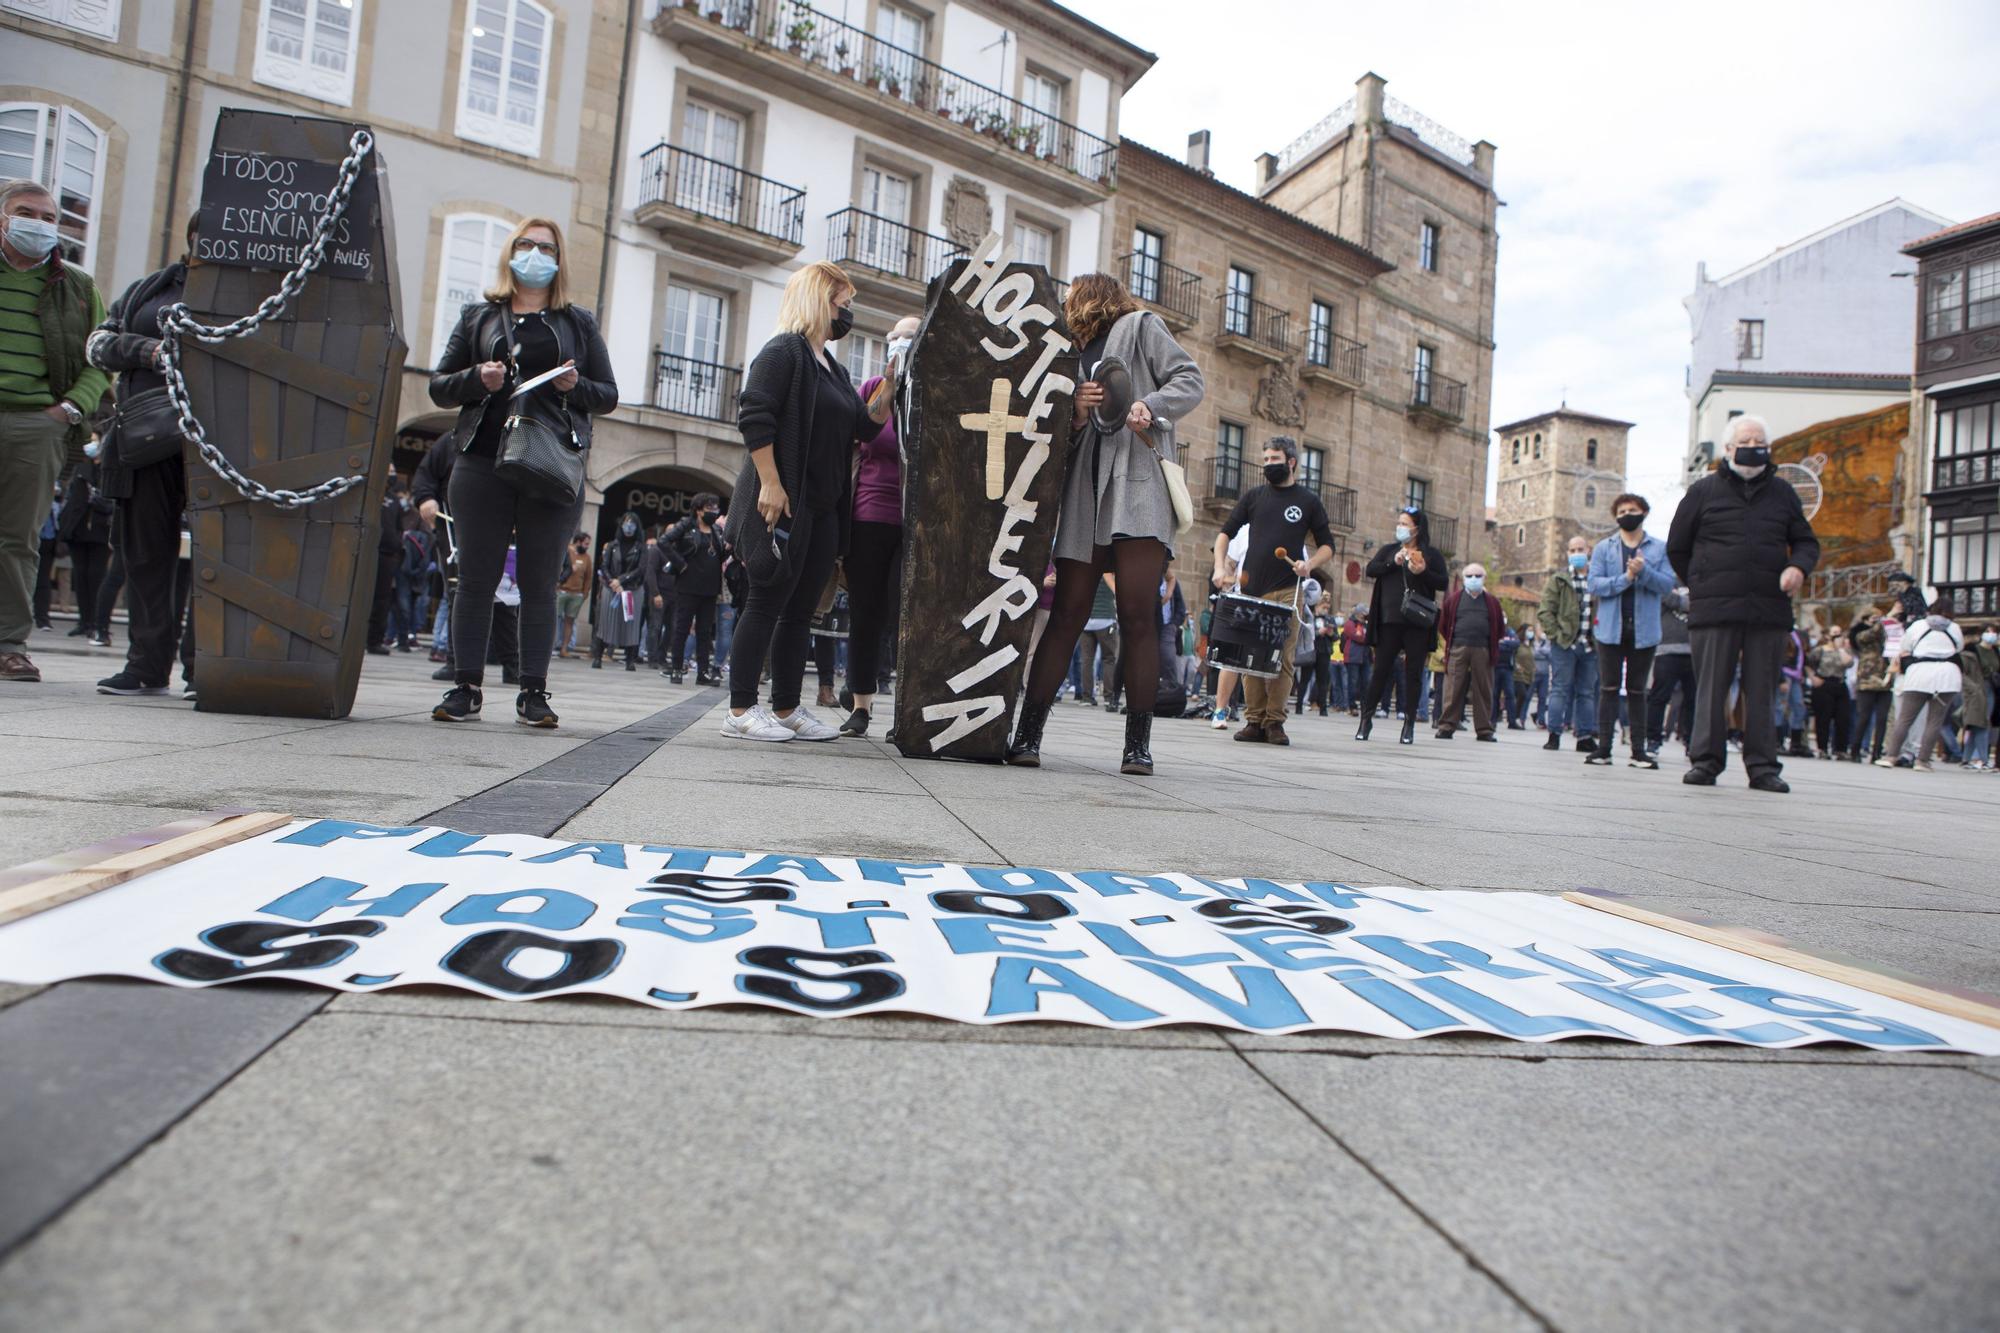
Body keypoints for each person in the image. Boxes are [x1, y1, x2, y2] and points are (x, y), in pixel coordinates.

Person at [1007, 271, 1205, 774]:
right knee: (1067, 614)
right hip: (1083, 494)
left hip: (1137, 488)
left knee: (1139, 615)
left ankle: (1137, 746)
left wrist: (1149, 405)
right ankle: (1027, 735)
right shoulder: (1068, 349)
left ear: (1093, 295)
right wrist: (1074, 412)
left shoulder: (1141, 325)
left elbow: (1190, 379)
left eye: (1074, 292)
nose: (1067, 299)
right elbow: (1058, 432)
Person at [427, 216, 617, 727]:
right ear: (511, 252)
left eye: (546, 248)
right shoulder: (479, 317)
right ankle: (465, 686)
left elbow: (608, 394)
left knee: (538, 582)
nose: (535, 254)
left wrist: (572, 385)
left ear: (559, 260)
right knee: (475, 580)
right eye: (526, 245)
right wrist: (477, 378)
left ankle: (533, 692)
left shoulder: (577, 322)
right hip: (481, 459)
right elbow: (439, 386)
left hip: (550, 460)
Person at [723, 262, 890, 742]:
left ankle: (788, 708)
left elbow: (863, 426)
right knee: (765, 600)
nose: (848, 312)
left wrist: (891, 386)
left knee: (800, 612)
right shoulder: (784, 352)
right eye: (843, 302)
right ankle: (739, 710)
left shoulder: (832, 368)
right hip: (783, 502)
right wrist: (771, 484)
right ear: (820, 300)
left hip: (823, 508)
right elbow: (755, 415)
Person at [1667, 414, 1820, 791]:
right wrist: (1701, 584)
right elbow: (1677, 547)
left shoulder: (1783, 493)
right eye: (1746, 441)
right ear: (1730, 449)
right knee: (1711, 689)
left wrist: (1798, 568)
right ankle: (1705, 761)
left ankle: (1764, 767)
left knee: (1762, 691)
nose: (1754, 447)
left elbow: (1805, 541)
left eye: (1760, 441)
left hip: (1768, 609)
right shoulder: (1703, 491)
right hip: (1714, 608)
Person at [2, 178, 110, 684]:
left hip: (36, 425)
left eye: (49, 217)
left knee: (18, 541)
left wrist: (69, 410)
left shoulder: (79, 287)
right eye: (28, 213)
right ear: (2, 217)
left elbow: (99, 360)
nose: (40, 224)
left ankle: (8, 645)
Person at [1212, 438, 1334, 746]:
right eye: (1265, 459)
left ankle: (1275, 722)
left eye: (1274, 458)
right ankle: (1254, 720)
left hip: (1286, 590)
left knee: (1282, 659)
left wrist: (1311, 565)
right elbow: (1225, 533)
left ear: (1291, 462)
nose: (1268, 464)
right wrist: (1218, 567)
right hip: (1252, 589)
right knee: (1249, 657)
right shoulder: (1254, 497)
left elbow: (1327, 546)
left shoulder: (1308, 500)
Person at [839, 313, 919, 735]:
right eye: (897, 337)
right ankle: (861, 705)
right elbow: (865, 432)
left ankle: (906, 710)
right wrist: (890, 382)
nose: (902, 343)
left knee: (905, 616)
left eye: (911, 338)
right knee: (866, 612)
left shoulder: (932, 393)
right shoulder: (874, 388)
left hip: (915, 523)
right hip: (870, 515)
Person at [1584, 493, 1676, 769]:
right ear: (1616, 516)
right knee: (1608, 688)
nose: (1627, 514)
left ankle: (1638, 751)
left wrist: (1644, 573)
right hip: (1610, 628)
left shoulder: (1659, 549)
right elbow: (1595, 585)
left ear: (1644, 513)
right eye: (1622, 510)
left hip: (1644, 630)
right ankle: (1603, 749)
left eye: (1632, 509)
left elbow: (1667, 585)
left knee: (1638, 691)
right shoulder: (1604, 548)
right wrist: (1626, 578)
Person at [1354, 508, 1447, 745]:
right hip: (1390, 620)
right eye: (1399, 523)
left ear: (1417, 528)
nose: (1401, 527)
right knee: (1381, 670)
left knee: (1414, 673)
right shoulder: (1389, 550)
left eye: (1405, 523)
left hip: (1417, 621)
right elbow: (1371, 569)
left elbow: (1443, 582)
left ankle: (1409, 724)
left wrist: (1423, 571)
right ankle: (1366, 719)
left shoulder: (1431, 555)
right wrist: (1392, 562)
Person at [1877, 597, 1962, 771]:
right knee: (1935, 720)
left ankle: (1891, 755)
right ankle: (1922, 760)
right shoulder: (1954, 628)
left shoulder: (1919, 625)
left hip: (1920, 672)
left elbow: (1906, 645)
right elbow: (1959, 648)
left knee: (1905, 718)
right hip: (1947, 674)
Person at [1538, 535, 1600, 753]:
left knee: (1586, 692)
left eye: (1580, 549)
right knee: (1559, 689)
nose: (1576, 554)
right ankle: (1554, 733)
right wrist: (1556, 635)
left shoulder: (1596, 578)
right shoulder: (1559, 579)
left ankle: (1584, 735)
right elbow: (1545, 610)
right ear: (1567, 553)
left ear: (1588, 550)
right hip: (1564, 644)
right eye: (1572, 550)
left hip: (1591, 644)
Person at [1434, 561, 1502, 741]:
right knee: (1453, 688)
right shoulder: (1453, 600)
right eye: (1470, 576)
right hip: (1458, 647)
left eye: (1478, 576)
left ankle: (1484, 729)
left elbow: (1499, 628)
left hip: (1483, 649)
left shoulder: (1492, 602)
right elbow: (1443, 625)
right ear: (1464, 579)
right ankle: (1446, 726)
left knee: (1483, 689)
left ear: (1484, 578)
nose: (1474, 579)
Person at [665, 494, 728, 685]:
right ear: (699, 509)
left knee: (704, 632)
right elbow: (664, 542)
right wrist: (680, 564)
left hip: (709, 588)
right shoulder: (686, 526)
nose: (714, 511)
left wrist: (731, 547)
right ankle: (676, 668)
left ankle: (703, 672)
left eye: (716, 508)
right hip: (688, 585)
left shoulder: (717, 530)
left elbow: (721, 555)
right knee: (682, 629)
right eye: (709, 507)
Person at [56, 447, 113, 647]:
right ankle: (84, 620)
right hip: (78, 529)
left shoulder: (111, 468)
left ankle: (97, 622)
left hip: (101, 531)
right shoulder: (81, 469)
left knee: (96, 576)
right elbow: (72, 497)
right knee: (80, 577)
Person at [592, 512, 645, 671]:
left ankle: (630, 660)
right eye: (626, 523)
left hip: (632, 590)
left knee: (630, 625)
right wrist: (613, 582)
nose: (629, 527)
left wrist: (621, 580)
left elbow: (641, 569)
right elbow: (604, 566)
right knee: (606, 623)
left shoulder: (641, 548)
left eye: (632, 523)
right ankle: (598, 657)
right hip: (612, 589)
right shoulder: (612, 546)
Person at [1645, 589, 1694, 756]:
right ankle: (1653, 740)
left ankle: (1692, 742)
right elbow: (1662, 595)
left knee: (1693, 700)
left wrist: (1676, 600)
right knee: (1658, 697)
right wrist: (1684, 602)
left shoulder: (1698, 577)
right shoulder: (1666, 579)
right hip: (1666, 649)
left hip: (1695, 650)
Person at [1845, 607, 1895, 764]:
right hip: (1867, 679)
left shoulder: (1885, 635)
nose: (1878, 623)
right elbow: (1871, 633)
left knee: (1882, 718)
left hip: (1885, 680)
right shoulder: (1860, 634)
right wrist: (1887, 617)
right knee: (1864, 717)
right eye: (1873, 619)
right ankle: (1855, 749)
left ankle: (1877, 752)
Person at [366, 481, 406, 655]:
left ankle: (375, 640)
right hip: (367, 551)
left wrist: (397, 546)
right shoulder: (369, 492)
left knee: (382, 600)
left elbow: (399, 526)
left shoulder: (393, 499)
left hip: (388, 555)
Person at [1805, 626, 1853, 760]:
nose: (1837, 636)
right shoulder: (1819, 651)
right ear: (1828, 635)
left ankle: (1840, 749)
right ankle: (1822, 748)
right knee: (1823, 718)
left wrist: (1840, 648)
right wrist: (1813, 677)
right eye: (1834, 633)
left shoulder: (1843, 651)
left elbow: (1848, 663)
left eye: (1839, 633)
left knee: (1843, 718)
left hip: (1840, 683)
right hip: (1824, 684)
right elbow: (1807, 663)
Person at [1955, 630, 1992, 771]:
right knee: (1980, 727)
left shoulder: (1973, 655)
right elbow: (1963, 676)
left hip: (1977, 693)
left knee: (1975, 727)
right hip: (1974, 695)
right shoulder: (1967, 656)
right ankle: (1983, 760)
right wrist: (1975, 690)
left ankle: (1966, 759)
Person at [1775, 621, 1812, 759]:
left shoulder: (1797, 635)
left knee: (1799, 707)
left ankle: (1796, 742)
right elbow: (1777, 657)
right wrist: (1781, 678)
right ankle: (1776, 741)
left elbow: (1802, 657)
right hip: (1785, 673)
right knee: (1779, 707)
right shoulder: (1782, 635)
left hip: (1796, 675)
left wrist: (1802, 673)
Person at [555, 531, 591, 660]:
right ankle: (552, 645)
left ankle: (564, 648)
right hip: (562, 590)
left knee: (569, 621)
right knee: (555, 618)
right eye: (586, 543)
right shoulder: (566, 551)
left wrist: (584, 593)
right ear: (578, 541)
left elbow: (588, 577)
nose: (587, 546)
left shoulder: (586, 557)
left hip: (576, 593)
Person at [1341, 606, 1370, 717]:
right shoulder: (1350, 623)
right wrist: (1366, 638)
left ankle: (1365, 706)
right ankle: (1352, 706)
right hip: (1353, 657)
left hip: (1365, 657)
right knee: (1353, 682)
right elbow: (1357, 636)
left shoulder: (1366, 624)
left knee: (1366, 682)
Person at [1494, 618, 1520, 729]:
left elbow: (1516, 643)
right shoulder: (1494, 630)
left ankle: (1512, 721)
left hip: (1508, 668)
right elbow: (1494, 644)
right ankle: (1492, 720)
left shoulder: (1510, 631)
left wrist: (1502, 642)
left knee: (1510, 694)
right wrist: (1505, 644)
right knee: (1494, 694)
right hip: (1495, 667)